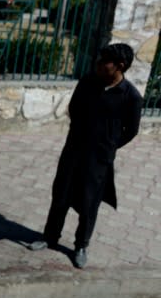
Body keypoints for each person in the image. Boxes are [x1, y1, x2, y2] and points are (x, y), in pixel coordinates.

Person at [27, 43, 143, 269]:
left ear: (119, 66)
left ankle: (81, 245)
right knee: (61, 194)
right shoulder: (88, 82)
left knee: (89, 203)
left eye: (104, 62)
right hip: (74, 150)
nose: (98, 64)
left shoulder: (131, 97)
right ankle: (50, 237)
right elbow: (74, 108)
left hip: (99, 159)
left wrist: (109, 146)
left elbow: (132, 130)